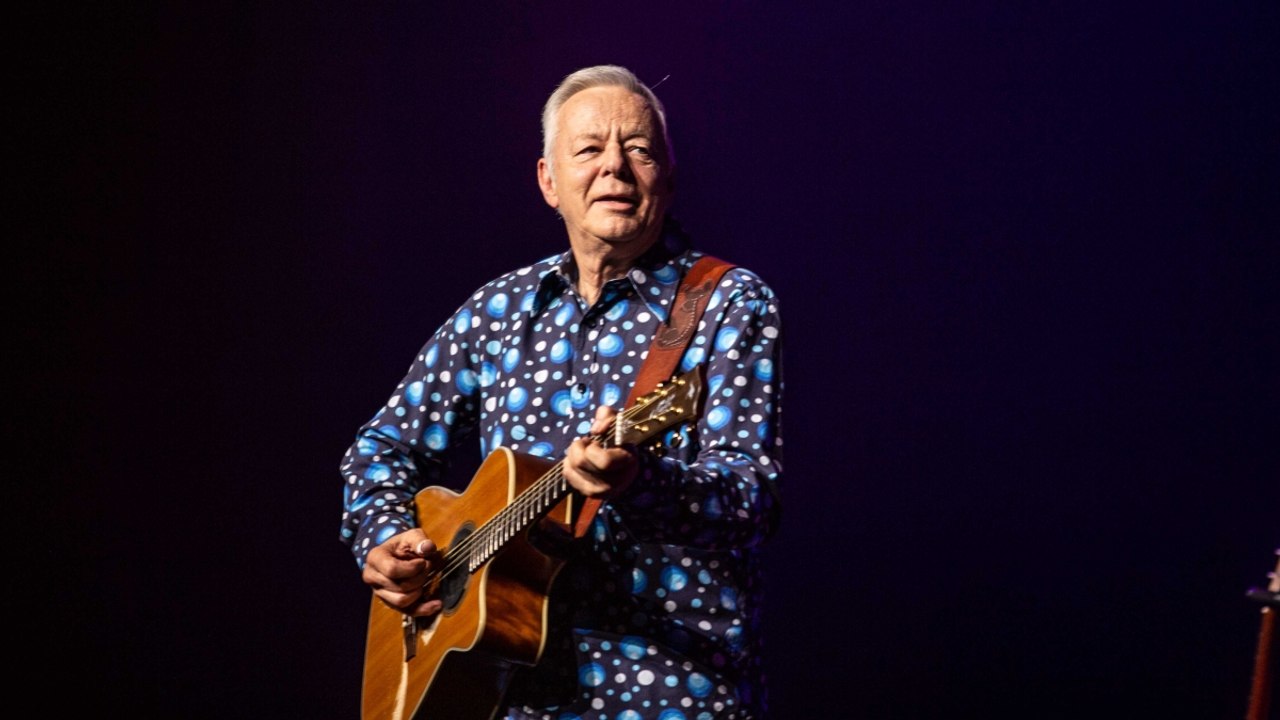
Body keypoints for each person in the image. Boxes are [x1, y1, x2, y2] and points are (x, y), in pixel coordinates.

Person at [339, 64, 784, 720]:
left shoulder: (728, 304)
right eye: (588, 149)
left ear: (669, 173)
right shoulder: (498, 310)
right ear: (549, 180)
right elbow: (380, 448)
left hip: (668, 688)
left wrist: (641, 482)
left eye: (638, 148)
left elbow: (752, 500)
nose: (614, 167)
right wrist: (387, 541)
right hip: (506, 697)